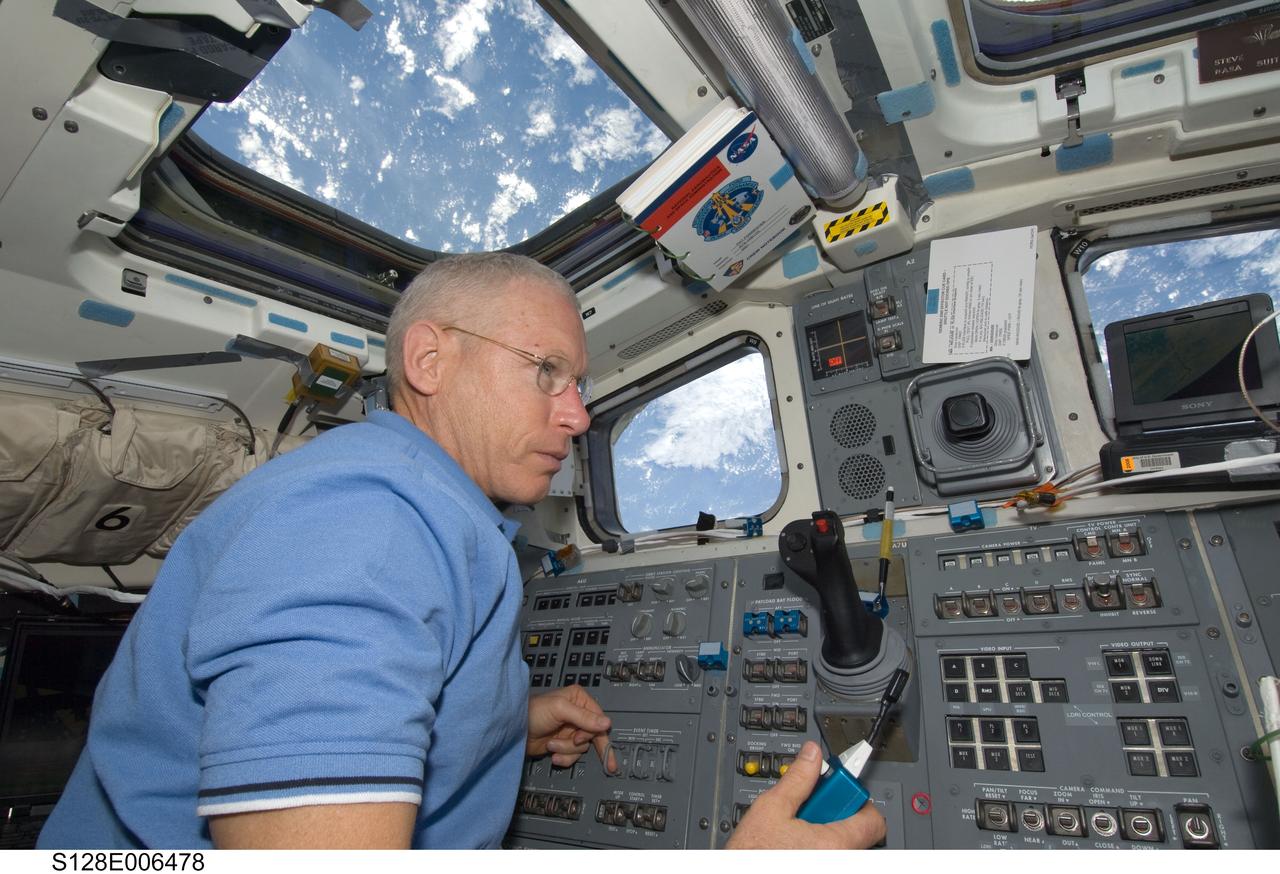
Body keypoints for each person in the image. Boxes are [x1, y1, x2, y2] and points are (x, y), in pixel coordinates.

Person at [39, 253, 884, 850]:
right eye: (547, 371)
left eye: (580, 384)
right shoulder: (366, 521)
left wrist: (502, 728)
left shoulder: (419, 508)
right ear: (430, 360)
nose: (579, 415)